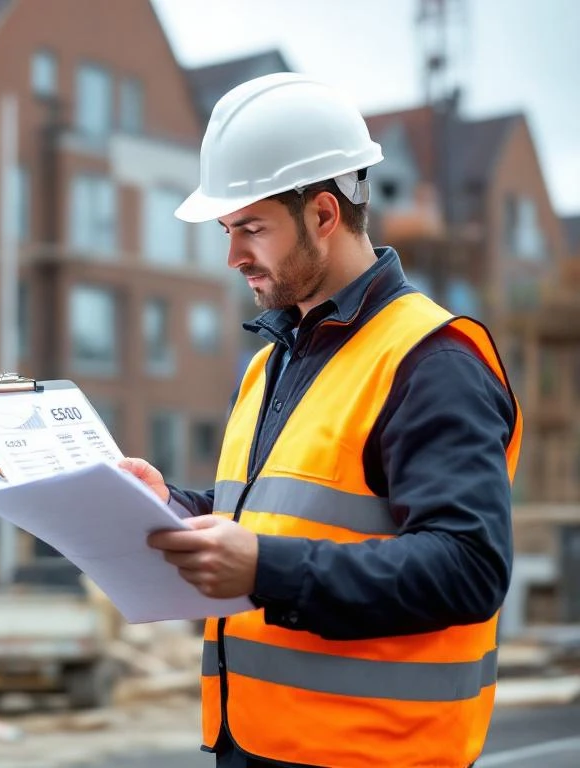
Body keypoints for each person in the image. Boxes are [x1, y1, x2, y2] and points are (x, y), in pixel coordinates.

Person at [118, 73, 523, 768]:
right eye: (227, 229)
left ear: (324, 215)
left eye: (250, 227)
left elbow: (469, 566)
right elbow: (279, 518)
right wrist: (167, 505)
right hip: (258, 745)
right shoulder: (275, 360)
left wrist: (267, 569)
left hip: (375, 755)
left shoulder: (431, 359)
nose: (233, 256)